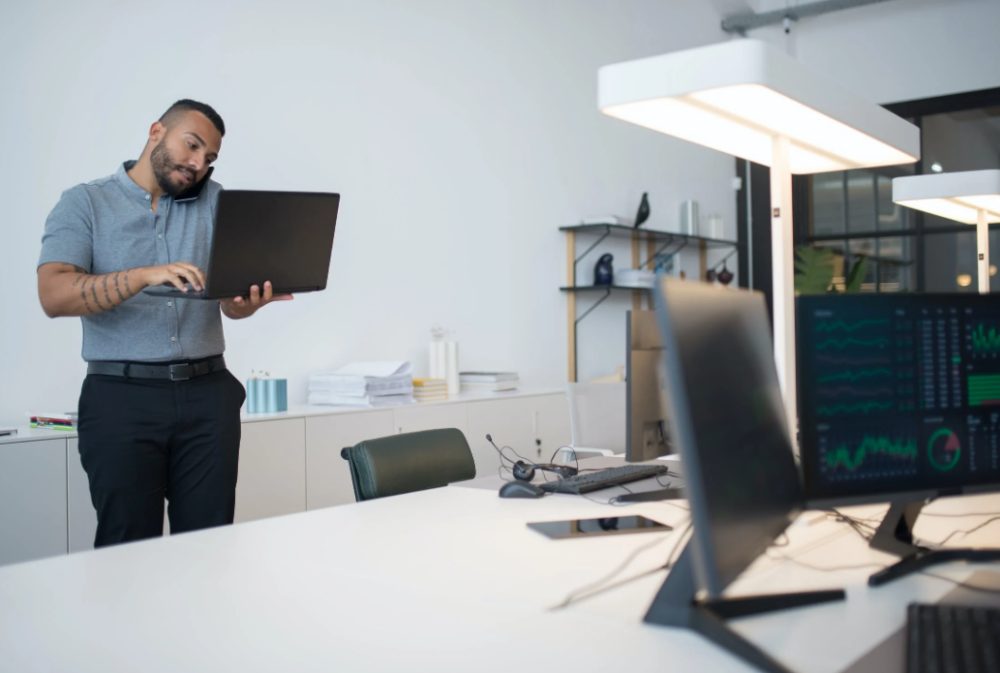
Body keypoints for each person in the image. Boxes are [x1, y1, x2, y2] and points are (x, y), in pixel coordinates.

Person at [36, 99, 291, 547]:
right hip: (121, 401)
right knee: (126, 546)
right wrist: (142, 275)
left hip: (208, 397)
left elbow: (228, 304)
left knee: (209, 545)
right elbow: (53, 295)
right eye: (191, 146)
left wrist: (244, 304)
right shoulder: (85, 204)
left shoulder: (217, 202)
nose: (197, 163)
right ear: (156, 131)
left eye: (209, 157)